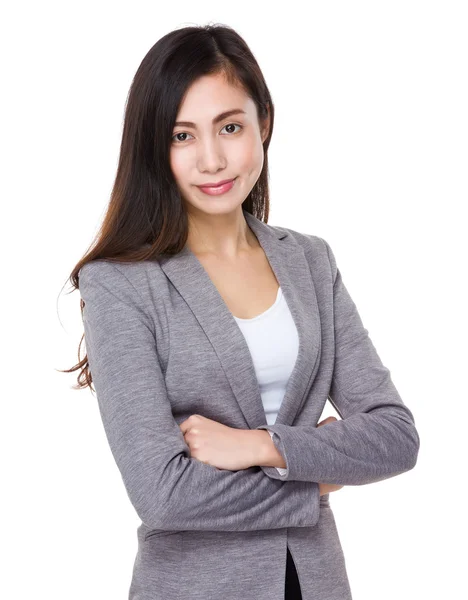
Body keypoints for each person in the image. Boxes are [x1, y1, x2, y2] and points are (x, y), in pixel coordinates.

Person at [63, 23, 420, 600]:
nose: (212, 159)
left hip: (316, 581)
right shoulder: (119, 285)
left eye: (230, 127)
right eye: (182, 136)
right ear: (155, 146)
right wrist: (321, 479)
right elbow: (163, 494)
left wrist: (263, 445)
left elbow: (395, 436)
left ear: (264, 124)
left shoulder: (309, 260)